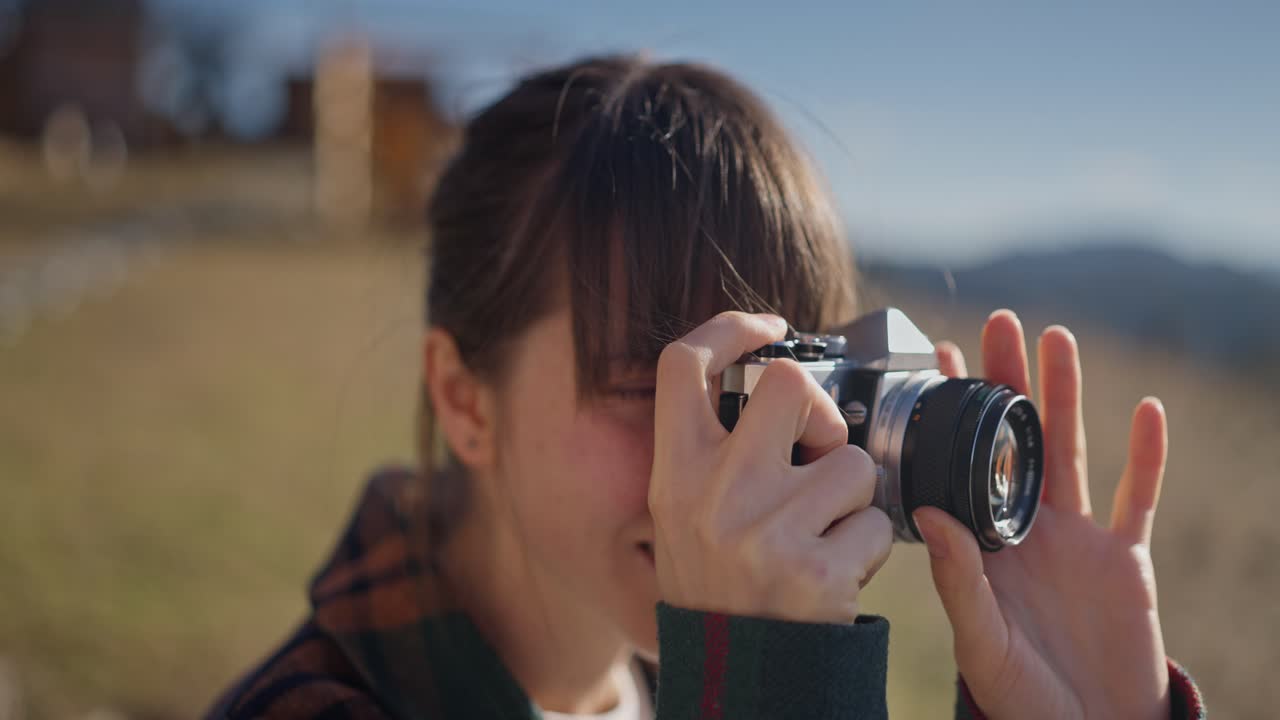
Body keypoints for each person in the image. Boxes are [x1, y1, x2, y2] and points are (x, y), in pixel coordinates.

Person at [207, 55, 1205, 719]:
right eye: (658, 382)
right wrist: (770, 684)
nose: (741, 457)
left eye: (781, 377)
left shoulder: (665, 675)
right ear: (466, 401)